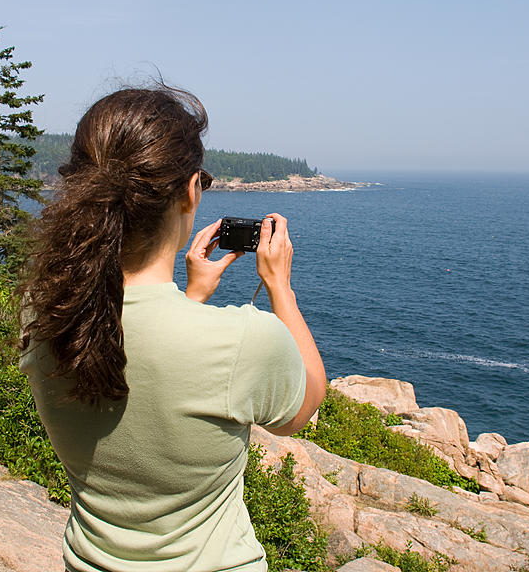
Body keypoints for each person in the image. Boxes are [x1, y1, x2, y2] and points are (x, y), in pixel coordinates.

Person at [18, 86, 326, 572]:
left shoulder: (46, 318)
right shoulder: (242, 340)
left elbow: (138, 354)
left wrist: (192, 297)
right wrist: (279, 286)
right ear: (190, 191)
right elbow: (301, 408)